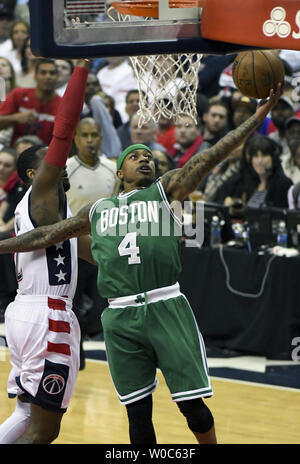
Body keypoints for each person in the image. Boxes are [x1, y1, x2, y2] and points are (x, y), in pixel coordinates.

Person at [0, 85, 283, 445]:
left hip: (165, 304)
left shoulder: (164, 190)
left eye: (148, 155)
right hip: (120, 316)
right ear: (119, 172)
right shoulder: (98, 211)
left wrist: (255, 122)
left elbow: (210, 157)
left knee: (192, 405)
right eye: (135, 156)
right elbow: (44, 237)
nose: (144, 158)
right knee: (137, 411)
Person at [0, 58, 90, 444]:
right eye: (52, 164)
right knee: (45, 429)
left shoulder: (50, 211)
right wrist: (81, 73)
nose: (63, 166)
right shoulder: (40, 194)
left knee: (24, 414)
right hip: (47, 316)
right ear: (35, 175)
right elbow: (63, 133)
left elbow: (92, 253)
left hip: (25, 314)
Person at [0, 58, 61, 146]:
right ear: (35, 76)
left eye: (52, 73)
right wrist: (15, 118)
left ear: (57, 77)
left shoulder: (62, 105)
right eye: (43, 73)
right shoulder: (18, 94)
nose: (48, 77)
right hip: (14, 151)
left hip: (45, 154)